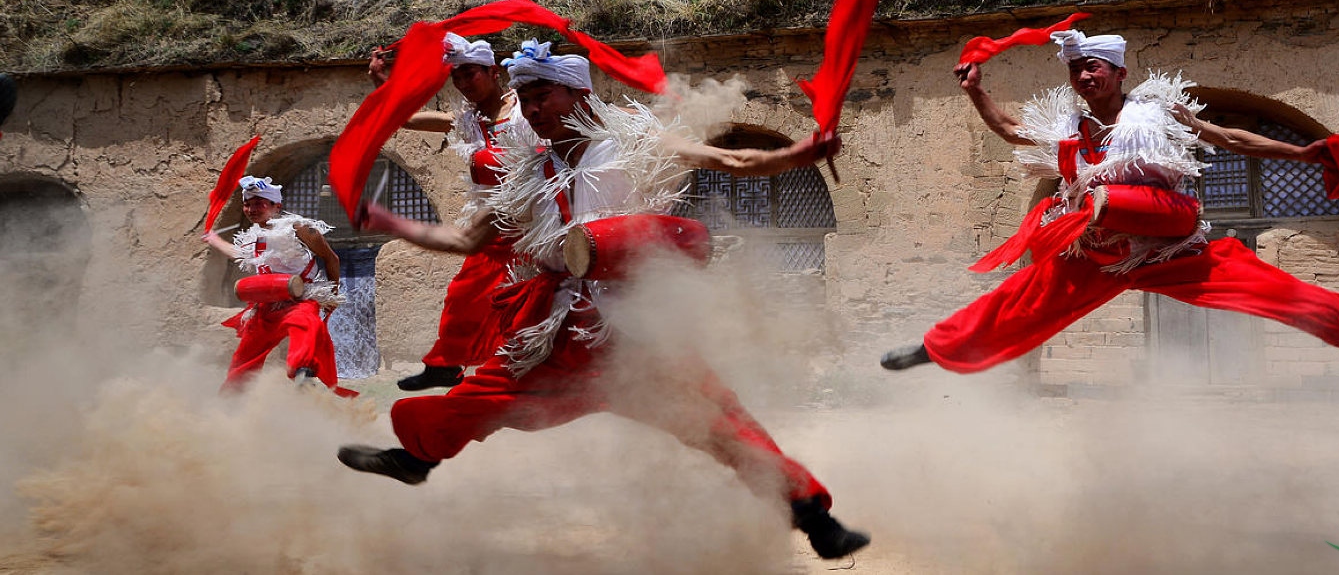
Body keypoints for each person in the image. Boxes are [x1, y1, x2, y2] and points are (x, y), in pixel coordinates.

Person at [340, 40, 870, 560]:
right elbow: (465, 241)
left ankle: (814, 519)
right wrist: (390, 222)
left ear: (578, 93)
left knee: (719, 422)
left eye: (544, 94)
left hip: (640, 330)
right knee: (481, 395)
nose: (533, 107)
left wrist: (799, 155)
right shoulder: (526, 171)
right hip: (561, 331)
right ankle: (416, 459)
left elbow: (727, 159)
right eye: (525, 98)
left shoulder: (632, 142)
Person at [880, 28, 1339, 375]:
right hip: (1093, 252)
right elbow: (1009, 130)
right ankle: (935, 350)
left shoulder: (1158, 112)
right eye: (1076, 69)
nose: (1083, 75)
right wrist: (976, 90)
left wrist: (1304, 153)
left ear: (1119, 72)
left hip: (1165, 245)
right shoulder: (1067, 127)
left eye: (1093, 66)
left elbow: (1232, 140)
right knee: (1016, 300)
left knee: (1252, 276)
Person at [368, 33, 521, 392]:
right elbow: (405, 119)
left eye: (471, 74)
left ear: (493, 71)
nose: (464, 82)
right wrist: (381, 80)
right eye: (458, 76)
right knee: (463, 296)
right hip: (494, 226)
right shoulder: (466, 120)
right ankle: (447, 365)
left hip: (539, 221)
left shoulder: (524, 110)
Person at [203, 175, 355, 396]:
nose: (251, 209)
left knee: (306, 324)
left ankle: (304, 374)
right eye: (247, 204)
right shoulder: (253, 236)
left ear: (276, 206)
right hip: (266, 306)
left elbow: (332, 258)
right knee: (245, 355)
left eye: (259, 203)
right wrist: (213, 239)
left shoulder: (298, 228)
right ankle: (231, 400)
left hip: (300, 299)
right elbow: (240, 255)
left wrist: (332, 294)